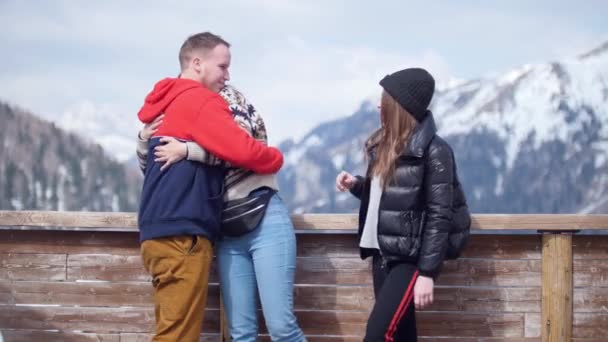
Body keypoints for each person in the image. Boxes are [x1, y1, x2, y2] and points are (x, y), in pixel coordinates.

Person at [136, 32, 283, 342]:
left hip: (156, 231)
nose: (227, 76)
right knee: (177, 336)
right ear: (197, 63)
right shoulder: (199, 99)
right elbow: (243, 150)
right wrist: (275, 157)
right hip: (182, 232)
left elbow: (147, 165)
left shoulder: (168, 101)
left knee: (171, 328)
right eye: (223, 67)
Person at [336, 68, 466, 341]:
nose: (378, 104)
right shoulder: (384, 145)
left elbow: (440, 214)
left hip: (408, 259)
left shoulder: (434, 150)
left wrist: (428, 273)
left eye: (385, 98)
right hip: (381, 253)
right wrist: (357, 185)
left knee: (378, 334)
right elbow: (391, 199)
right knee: (402, 335)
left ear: (400, 106)